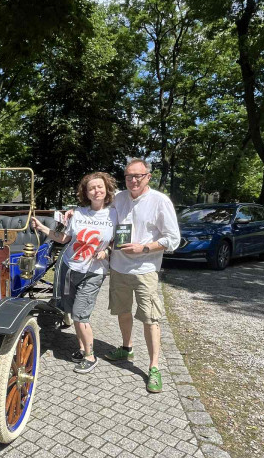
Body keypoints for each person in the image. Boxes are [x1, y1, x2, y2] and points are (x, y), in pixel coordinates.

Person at [106, 158, 180, 393]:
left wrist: (144, 248)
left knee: (150, 319)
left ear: (148, 176)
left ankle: (154, 368)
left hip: (145, 270)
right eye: (129, 176)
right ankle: (127, 348)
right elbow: (101, 219)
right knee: (123, 311)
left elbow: (173, 240)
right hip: (119, 267)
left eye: (138, 176)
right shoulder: (118, 198)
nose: (133, 180)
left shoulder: (160, 201)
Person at [32, 172, 116, 374]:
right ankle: (81, 348)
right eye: (91, 188)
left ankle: (90, 356)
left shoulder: (115, 213)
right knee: (71, 310)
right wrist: (42, 227)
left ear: (106, 189)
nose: (96, 191)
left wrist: (107, 251)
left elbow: (119, 240)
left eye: (99, 187)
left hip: (94, 272)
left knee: (80, 315)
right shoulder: (78, 213)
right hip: (71, 267)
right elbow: (63, 239)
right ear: (86, 193)